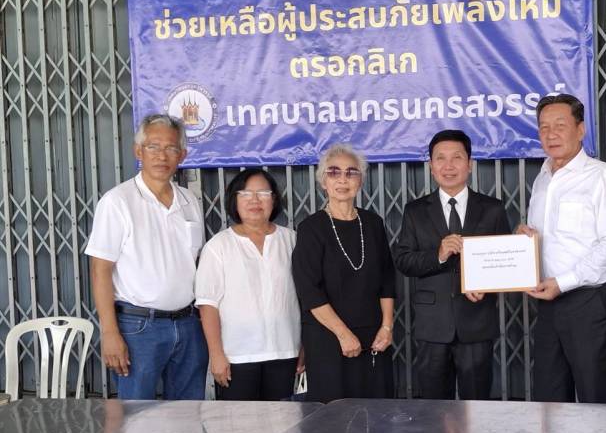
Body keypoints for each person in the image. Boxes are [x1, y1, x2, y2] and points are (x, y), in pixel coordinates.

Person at [517, 93, 606, 404]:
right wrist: (522, 238)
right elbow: (544, 237)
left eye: (559, 125)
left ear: (580, 130)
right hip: (548, 303)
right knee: (549, 397)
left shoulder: (601, 176)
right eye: (543, 127)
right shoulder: (542, 179)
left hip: (590, 301)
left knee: (595, 395)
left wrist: (564, 282)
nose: (550, 134)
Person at [86, 114, 206, 400]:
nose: (161, 156)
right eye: (153, 147)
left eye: (171, 148)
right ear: (138, 151)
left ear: (182, 155)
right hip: (138, 328)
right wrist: (110, 333)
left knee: (189, 415)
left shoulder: (190, 201)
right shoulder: (117, 202)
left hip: (188, 325)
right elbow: (100, 270)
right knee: (135, 417)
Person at [393, 130, 511, 400]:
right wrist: (439, 254)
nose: (449, 166)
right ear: (431, 166)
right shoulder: (415, 211)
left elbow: (505, 264)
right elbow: (403, 261)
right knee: (434, 409)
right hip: (432, 326)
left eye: (457, 158)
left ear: (470, 164)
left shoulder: (492, 209)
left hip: (477, 323)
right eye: (440, 158)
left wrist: (487, 286)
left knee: (477, 407)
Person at [291, 145, 396, 403]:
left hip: (373, 337)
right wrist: (343, 334)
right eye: (334, 172)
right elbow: (309, 291)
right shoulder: (310, 228)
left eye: (351, 172)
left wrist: (387, 327)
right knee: (334, 417)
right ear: (323, 181)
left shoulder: (373, 223)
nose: (342, 179)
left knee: (376, 413)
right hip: (328, 338)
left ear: (360, 180)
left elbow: (387, 280)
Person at [195, 168, 301, 401]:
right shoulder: (218, 246)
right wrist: (216, 355)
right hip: (237, 356)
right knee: (239, 421)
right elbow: (208, 305)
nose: (255, 200)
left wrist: (305, 346)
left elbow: (306, 296)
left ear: (274, 199)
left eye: (263, 193)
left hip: (285, 350)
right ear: (234, 200)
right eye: (245, 194)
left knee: (282, 419)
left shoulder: (291, 240)